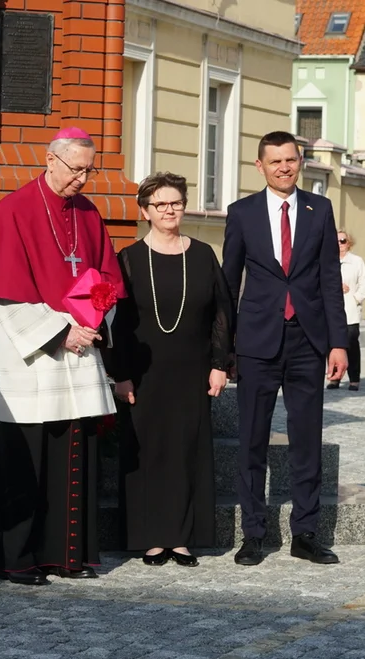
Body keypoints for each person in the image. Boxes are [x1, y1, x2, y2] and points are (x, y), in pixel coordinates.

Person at [0, 127, 125, 586]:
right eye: (76, 169)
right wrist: (59, 332)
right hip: (30, 356)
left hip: (78, 348)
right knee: (25, 460)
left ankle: (65, 554)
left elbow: (104, 280)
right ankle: (16, 557)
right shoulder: (13, 210)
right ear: (50, 161)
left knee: (70, 449)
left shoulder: (89, 214)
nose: (83, 179)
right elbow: (3, 295)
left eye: (89, 171)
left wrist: (92, 322)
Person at [221, 130, 348, 567]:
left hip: (307, 342)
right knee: (252, 440)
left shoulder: (320, 210)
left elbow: (330, 279)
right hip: (256, 342)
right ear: (260, 166)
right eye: (275, 161)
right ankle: (253, 534)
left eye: (291, 160)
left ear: (301, 161)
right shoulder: (242, 214)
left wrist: (338, 343)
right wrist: (227, 349)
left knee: (307, 440)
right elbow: (227, 284)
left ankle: (306, 534)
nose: (284, 167)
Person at [109, 172, 233, 567]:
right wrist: (119, 373)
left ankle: (181, 538)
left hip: (192, 370)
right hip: (143, 373)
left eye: (175, 203)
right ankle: (149, 537)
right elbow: (115, 324)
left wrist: (219, 366)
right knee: (148, 451)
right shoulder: (127, 259)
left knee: (186, 451)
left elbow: (221, 314)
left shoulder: (201, 254)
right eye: (160, 204)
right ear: (145, 210)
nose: (169, 210)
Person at [328, 230, 365, 392]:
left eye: (343, 240)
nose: (339, 244)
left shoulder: (356, 261)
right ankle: (334, 378)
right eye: (336, 240)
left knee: (351, 345)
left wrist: (355, 298)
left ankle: (354, 379)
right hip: (331, 310)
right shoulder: (328, 260)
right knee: (331, 346)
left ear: (349, 243)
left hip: (350, 310)